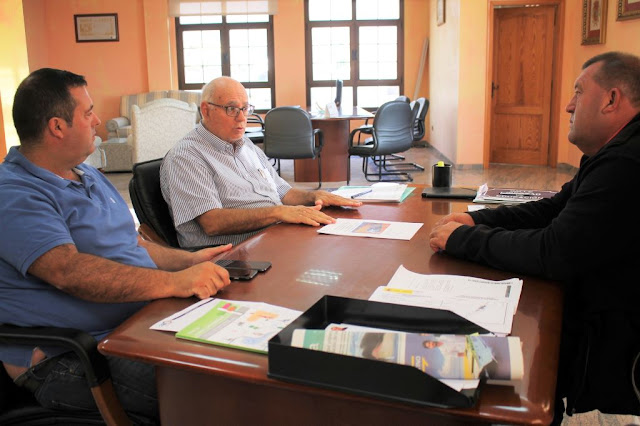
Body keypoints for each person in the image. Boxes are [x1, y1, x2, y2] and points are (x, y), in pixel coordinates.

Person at [0, 68, 233, 424]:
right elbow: (67, 271)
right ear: (57, 127)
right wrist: (173, 283)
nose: (97, 121)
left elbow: (132, 242)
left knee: (245, 353)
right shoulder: (15, 192)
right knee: (226, 391)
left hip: (139, 323)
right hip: (72, 357)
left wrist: (186, 262)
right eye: (88, 112)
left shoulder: (87, 173)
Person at [428, 52, 640, 419]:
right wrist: (475, 220)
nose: (568, 105)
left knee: (527, 363)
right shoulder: (612, 153)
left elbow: (554, 252)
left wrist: (461, 240)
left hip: (620, 339)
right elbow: (554, 209)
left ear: (611, 99)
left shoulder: (626, 163)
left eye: (578, 92)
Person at [160, 76, 362, 248]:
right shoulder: (187, 156)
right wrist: (278, 212)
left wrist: (315, 196)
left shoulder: (246, 145)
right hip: (234, 254)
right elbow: (212, 223)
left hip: (274, 235)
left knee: (344, 244)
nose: (242, 118)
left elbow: (283, 192)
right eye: (232, 109)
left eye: (245, 108)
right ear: (206, 110)